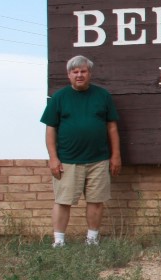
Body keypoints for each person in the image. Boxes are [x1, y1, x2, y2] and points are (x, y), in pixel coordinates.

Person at [40, 55, 122, 247]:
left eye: (83, 71)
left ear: (89, 74)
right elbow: (50, 129)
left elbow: (112, 127)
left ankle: (92, 239)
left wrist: (115, 155)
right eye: (75, 72)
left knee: (96, 200)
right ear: (69, 75)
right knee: (63, 201)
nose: (79, 75)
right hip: (68, 160)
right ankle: (59, 241)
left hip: (99, 159)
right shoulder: (59, 98)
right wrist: (53, 158)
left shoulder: (102, 96)